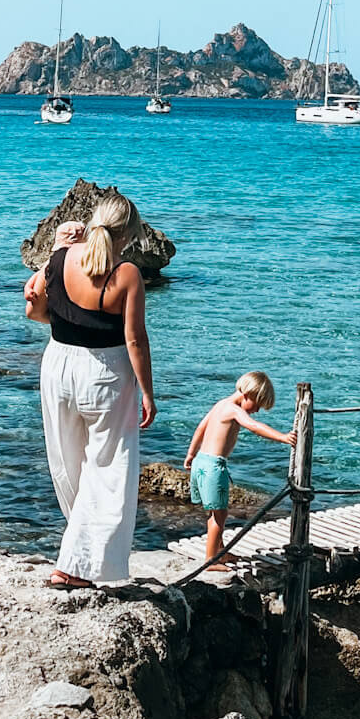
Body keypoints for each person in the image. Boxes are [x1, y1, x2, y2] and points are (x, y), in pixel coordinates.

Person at [25, 190, 155, 589]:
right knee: (109, 468)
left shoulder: (62, 258)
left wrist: (55, 250)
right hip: (107, 372)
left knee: (68, 462)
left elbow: (36, 310)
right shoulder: (127, 273)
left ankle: (77, 557)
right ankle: (77, 564)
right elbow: (135, 340)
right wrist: (148, 391)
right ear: (128, 235)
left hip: (59, 365)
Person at [184, 371, 296, 569]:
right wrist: (282, 437)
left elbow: (200, 428)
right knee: (220, 516)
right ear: (247, 394)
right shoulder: (234, 410)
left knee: (214, 512)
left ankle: (220, 551)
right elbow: (254, 426)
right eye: (258, 405)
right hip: (213, 466)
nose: (257, 411)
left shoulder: (220, 405)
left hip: (201, 461)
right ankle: (212, 560)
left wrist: (191, 454)